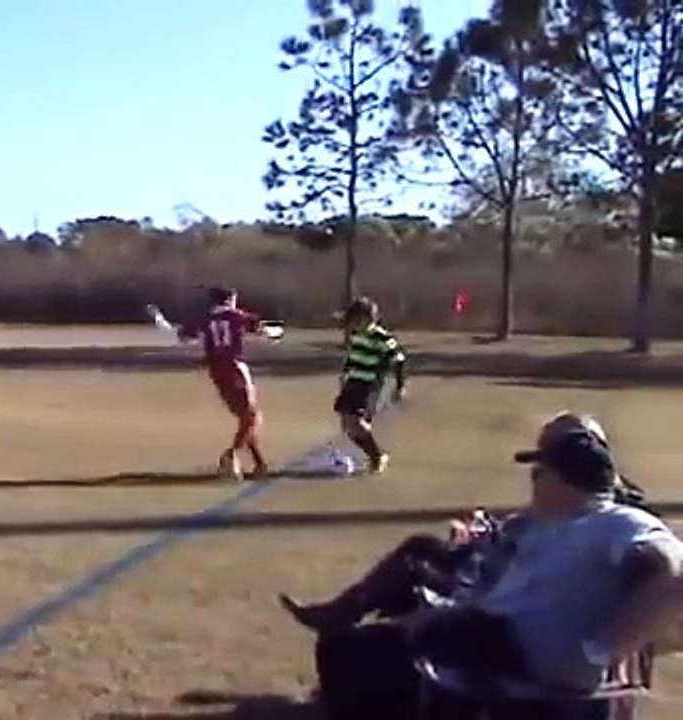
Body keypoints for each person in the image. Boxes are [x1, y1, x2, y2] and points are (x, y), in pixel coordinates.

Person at [286, 419, 683, 719]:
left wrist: (595, 654)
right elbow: (498, 577)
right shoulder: (550, 524)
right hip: (487, 628)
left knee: (359, 658)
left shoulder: (616, 523)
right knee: (345, 649)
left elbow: (672, 577)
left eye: (539, 472)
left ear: (564, 481)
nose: (533, 481)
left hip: (513, 648)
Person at [179, 287, 270, 480]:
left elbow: (185, 336)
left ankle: (259, 463)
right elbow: (261, 328)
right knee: (252, 416)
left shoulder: (205, 318)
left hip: (216, 371)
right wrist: (273, 329)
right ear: (229, 300)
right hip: (235, 367)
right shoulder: (236, 315)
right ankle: (231, 455)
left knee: (246, 418)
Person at [333, 296, 406, 473]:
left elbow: (399, 359)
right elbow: (353, 356)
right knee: (347, 424)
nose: (353, 324)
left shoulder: (381, 337)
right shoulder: (357, 334)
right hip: (353, 382)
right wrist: (345, 373)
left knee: (356, 423)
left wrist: (400, 385)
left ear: (367, 318)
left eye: (356, 320)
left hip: (369, 385)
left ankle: (377, 456)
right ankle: (375, 455)